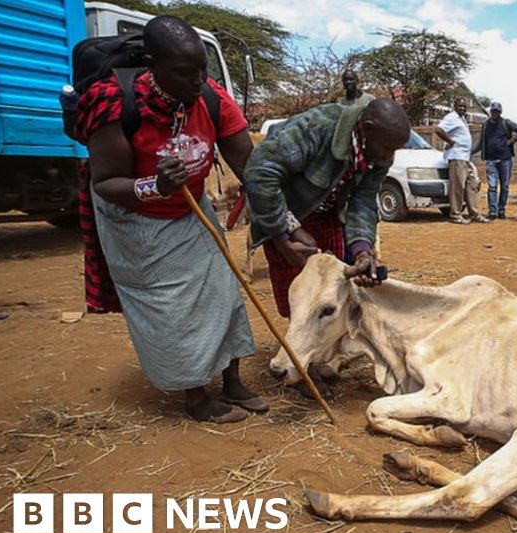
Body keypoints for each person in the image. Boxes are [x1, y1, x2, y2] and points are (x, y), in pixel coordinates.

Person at [76, 16, 267, 423]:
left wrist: (279, 213)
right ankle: (196, 397)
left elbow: (248, 164)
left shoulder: (211, 98)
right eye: (185, 72)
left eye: (202, 69)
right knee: (173, 306)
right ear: (152, 64)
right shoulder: (113, 102)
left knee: (224, 289)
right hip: (136, 217)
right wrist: (154, 186)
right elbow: (107, 182)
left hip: (191, 207)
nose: (198, 79)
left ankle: (232, 382)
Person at [244, 97, 409, 333]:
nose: (389, 156)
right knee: (299, 293)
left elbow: (363, 201)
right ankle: (303, 351)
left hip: (329, 215)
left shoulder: (381, 152)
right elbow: (260, 173)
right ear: (367, 128)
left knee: (331, 288)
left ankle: (326, 349)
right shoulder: (318, 127)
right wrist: (285, 234)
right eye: (387, 147)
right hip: (283, 212)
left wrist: (362, 250)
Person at [435, 97, 488, 224]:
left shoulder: (462, 119)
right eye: (460, 106)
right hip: (457, 157)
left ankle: (474, 213)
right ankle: (455, 214)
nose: (462, 108)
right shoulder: (451, 117)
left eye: (464, 107)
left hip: (465, 158)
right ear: (455, 106)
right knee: (457, 187)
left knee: (472, 185)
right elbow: (438, 130)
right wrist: (450, 141)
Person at [471, 101, 517, 219]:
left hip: (505, 160)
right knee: (493, 187)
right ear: (490, 112)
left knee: (504, 186)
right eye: (493, 111)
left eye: (497, 111)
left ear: (500, 112)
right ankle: (492, 212)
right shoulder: (485, 125)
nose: (495, 113)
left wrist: (511, 141)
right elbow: (480, 143)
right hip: (491, 161)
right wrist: (469, 152)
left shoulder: (506, 123)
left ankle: (501, 210)